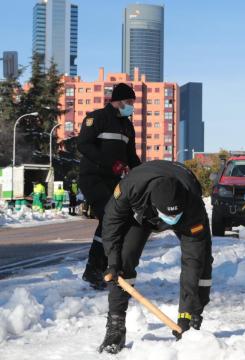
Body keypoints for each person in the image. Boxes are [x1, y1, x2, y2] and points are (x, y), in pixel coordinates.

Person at [98, 160, 213, 354]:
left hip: (187, 212)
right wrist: (112, 260)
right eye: (168, 217)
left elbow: (192, 261)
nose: (170, 223)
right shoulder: (130, 188)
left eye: (174, 217)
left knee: (202, 263)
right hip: (141, 215)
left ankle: (192, 319)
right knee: (123, 261)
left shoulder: (192, 204)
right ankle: (115, 327)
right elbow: (111, 224)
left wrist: (185, 313)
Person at [77, 83, 141, 290]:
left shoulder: (127, 126)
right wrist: (108, 162)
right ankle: (94, 270)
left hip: (114, 181)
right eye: (129, 102)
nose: (131, 106)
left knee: (116, 221)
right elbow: (83, 144)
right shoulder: (97, 118)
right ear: (118, 100)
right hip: (93, 177)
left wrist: (144, 175)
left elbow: (131, 156)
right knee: (110, 218)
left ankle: (103, 269)